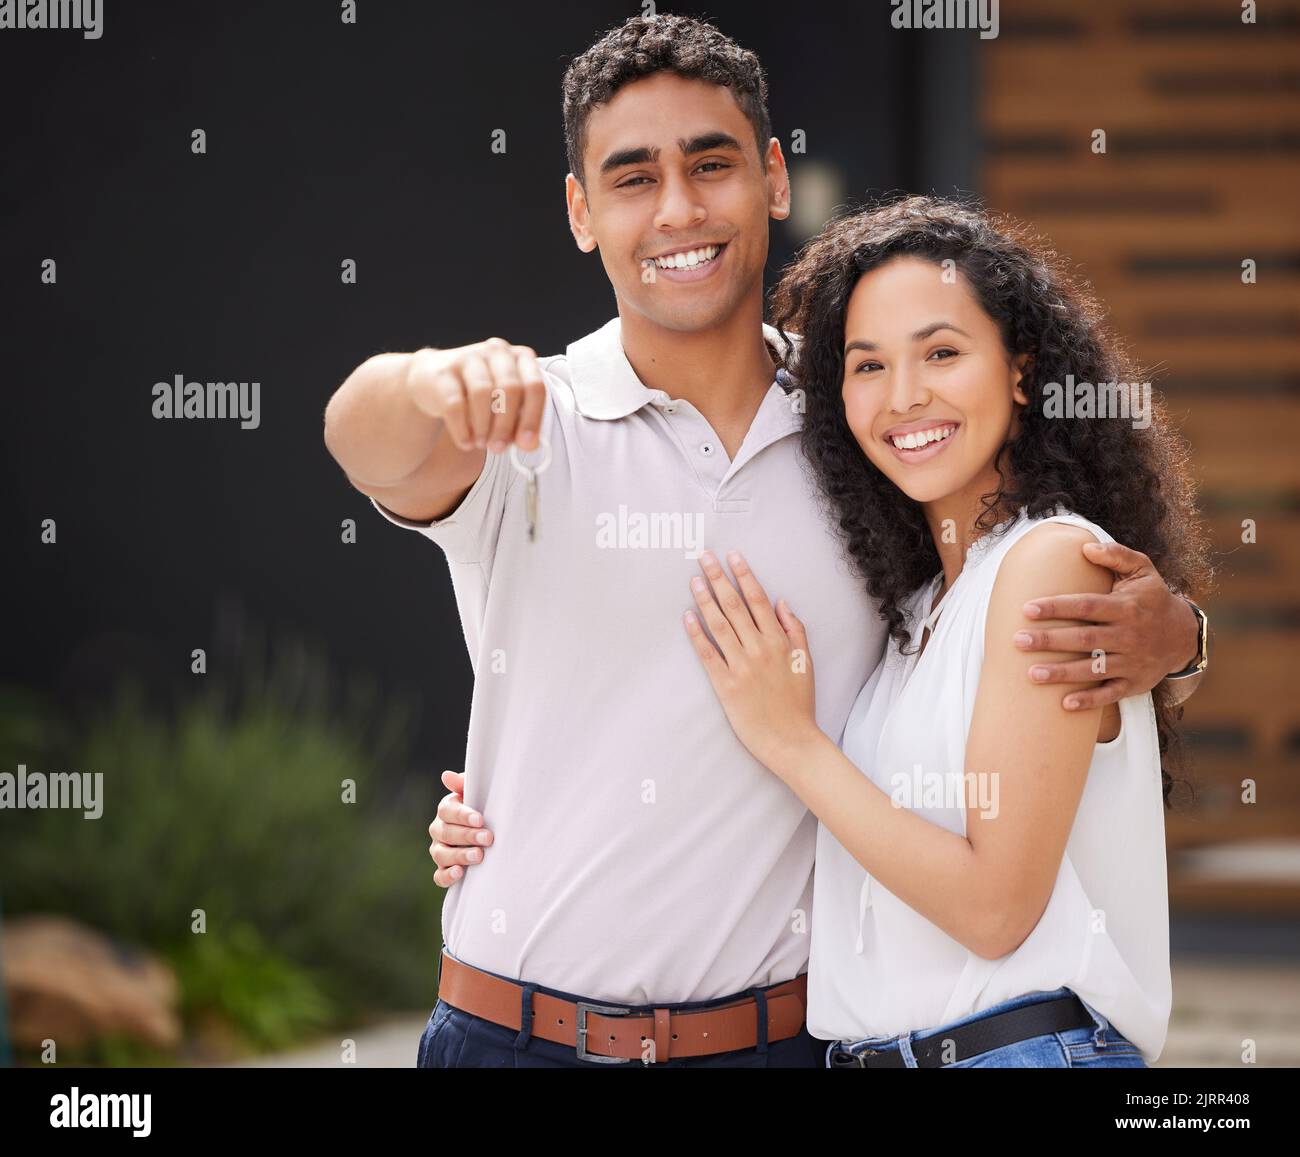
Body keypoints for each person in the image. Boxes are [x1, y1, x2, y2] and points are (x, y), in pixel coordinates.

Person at [324, 15, 1206, 1068]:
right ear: (580, 211)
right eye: (632, 177)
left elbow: (1012, 659)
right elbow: (361, 439)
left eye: (711, 164)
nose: (679, 209)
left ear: (774, 180)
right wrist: (427, 378)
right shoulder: (525, 422)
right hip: (514, 1036)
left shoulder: (870, 439)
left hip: (780, 1041)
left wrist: (1180, 641)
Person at [676, 194, 1211, 1067]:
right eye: (868, 365)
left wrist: (794, 742)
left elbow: (997, 909)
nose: (905, 396)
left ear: (1022, 372)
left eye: (942, 352)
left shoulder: (1050, 561)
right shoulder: (920, 609)